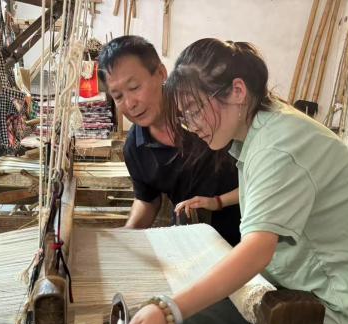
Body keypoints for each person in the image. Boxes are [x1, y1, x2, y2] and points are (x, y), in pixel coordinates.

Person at [102, 38, 348, 324]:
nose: (192, 126)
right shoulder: (263, 130)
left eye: (195, 110)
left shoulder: (278, 143)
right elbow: (268, 196)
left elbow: (257, 250)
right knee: (184, 319)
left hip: (333, 309)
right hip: (301, 284)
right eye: (185, 115)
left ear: (237, 91)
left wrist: (167, 309)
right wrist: (170, 307)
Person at [97, 36, 241, 246]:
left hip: (252, 229)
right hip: (198, 243)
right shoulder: (135, 148)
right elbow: (147, 199)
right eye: (118, 96)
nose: (129, 104)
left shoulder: (206, 110)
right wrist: (128, 235)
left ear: (161, 73)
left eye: (135, 87)